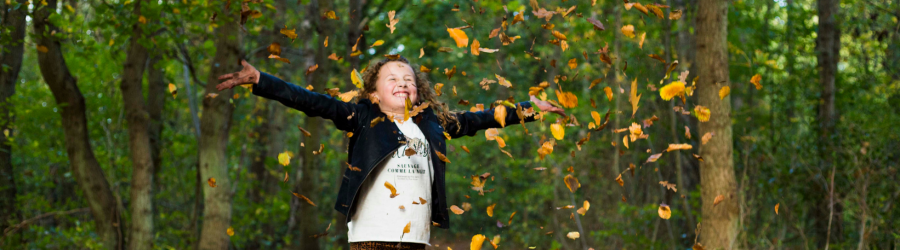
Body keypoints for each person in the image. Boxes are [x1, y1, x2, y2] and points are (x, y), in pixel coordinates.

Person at [216, 56, 565, 249]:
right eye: (392, 79)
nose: (402, 83)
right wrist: (262, 80)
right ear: (374, 94)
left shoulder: (434, 123)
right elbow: (313, 102)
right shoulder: (361, 117)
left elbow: (481, 119)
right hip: (372, 238)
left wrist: (528, 110)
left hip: (417, 239)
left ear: (418, 91)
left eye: (408, 79)